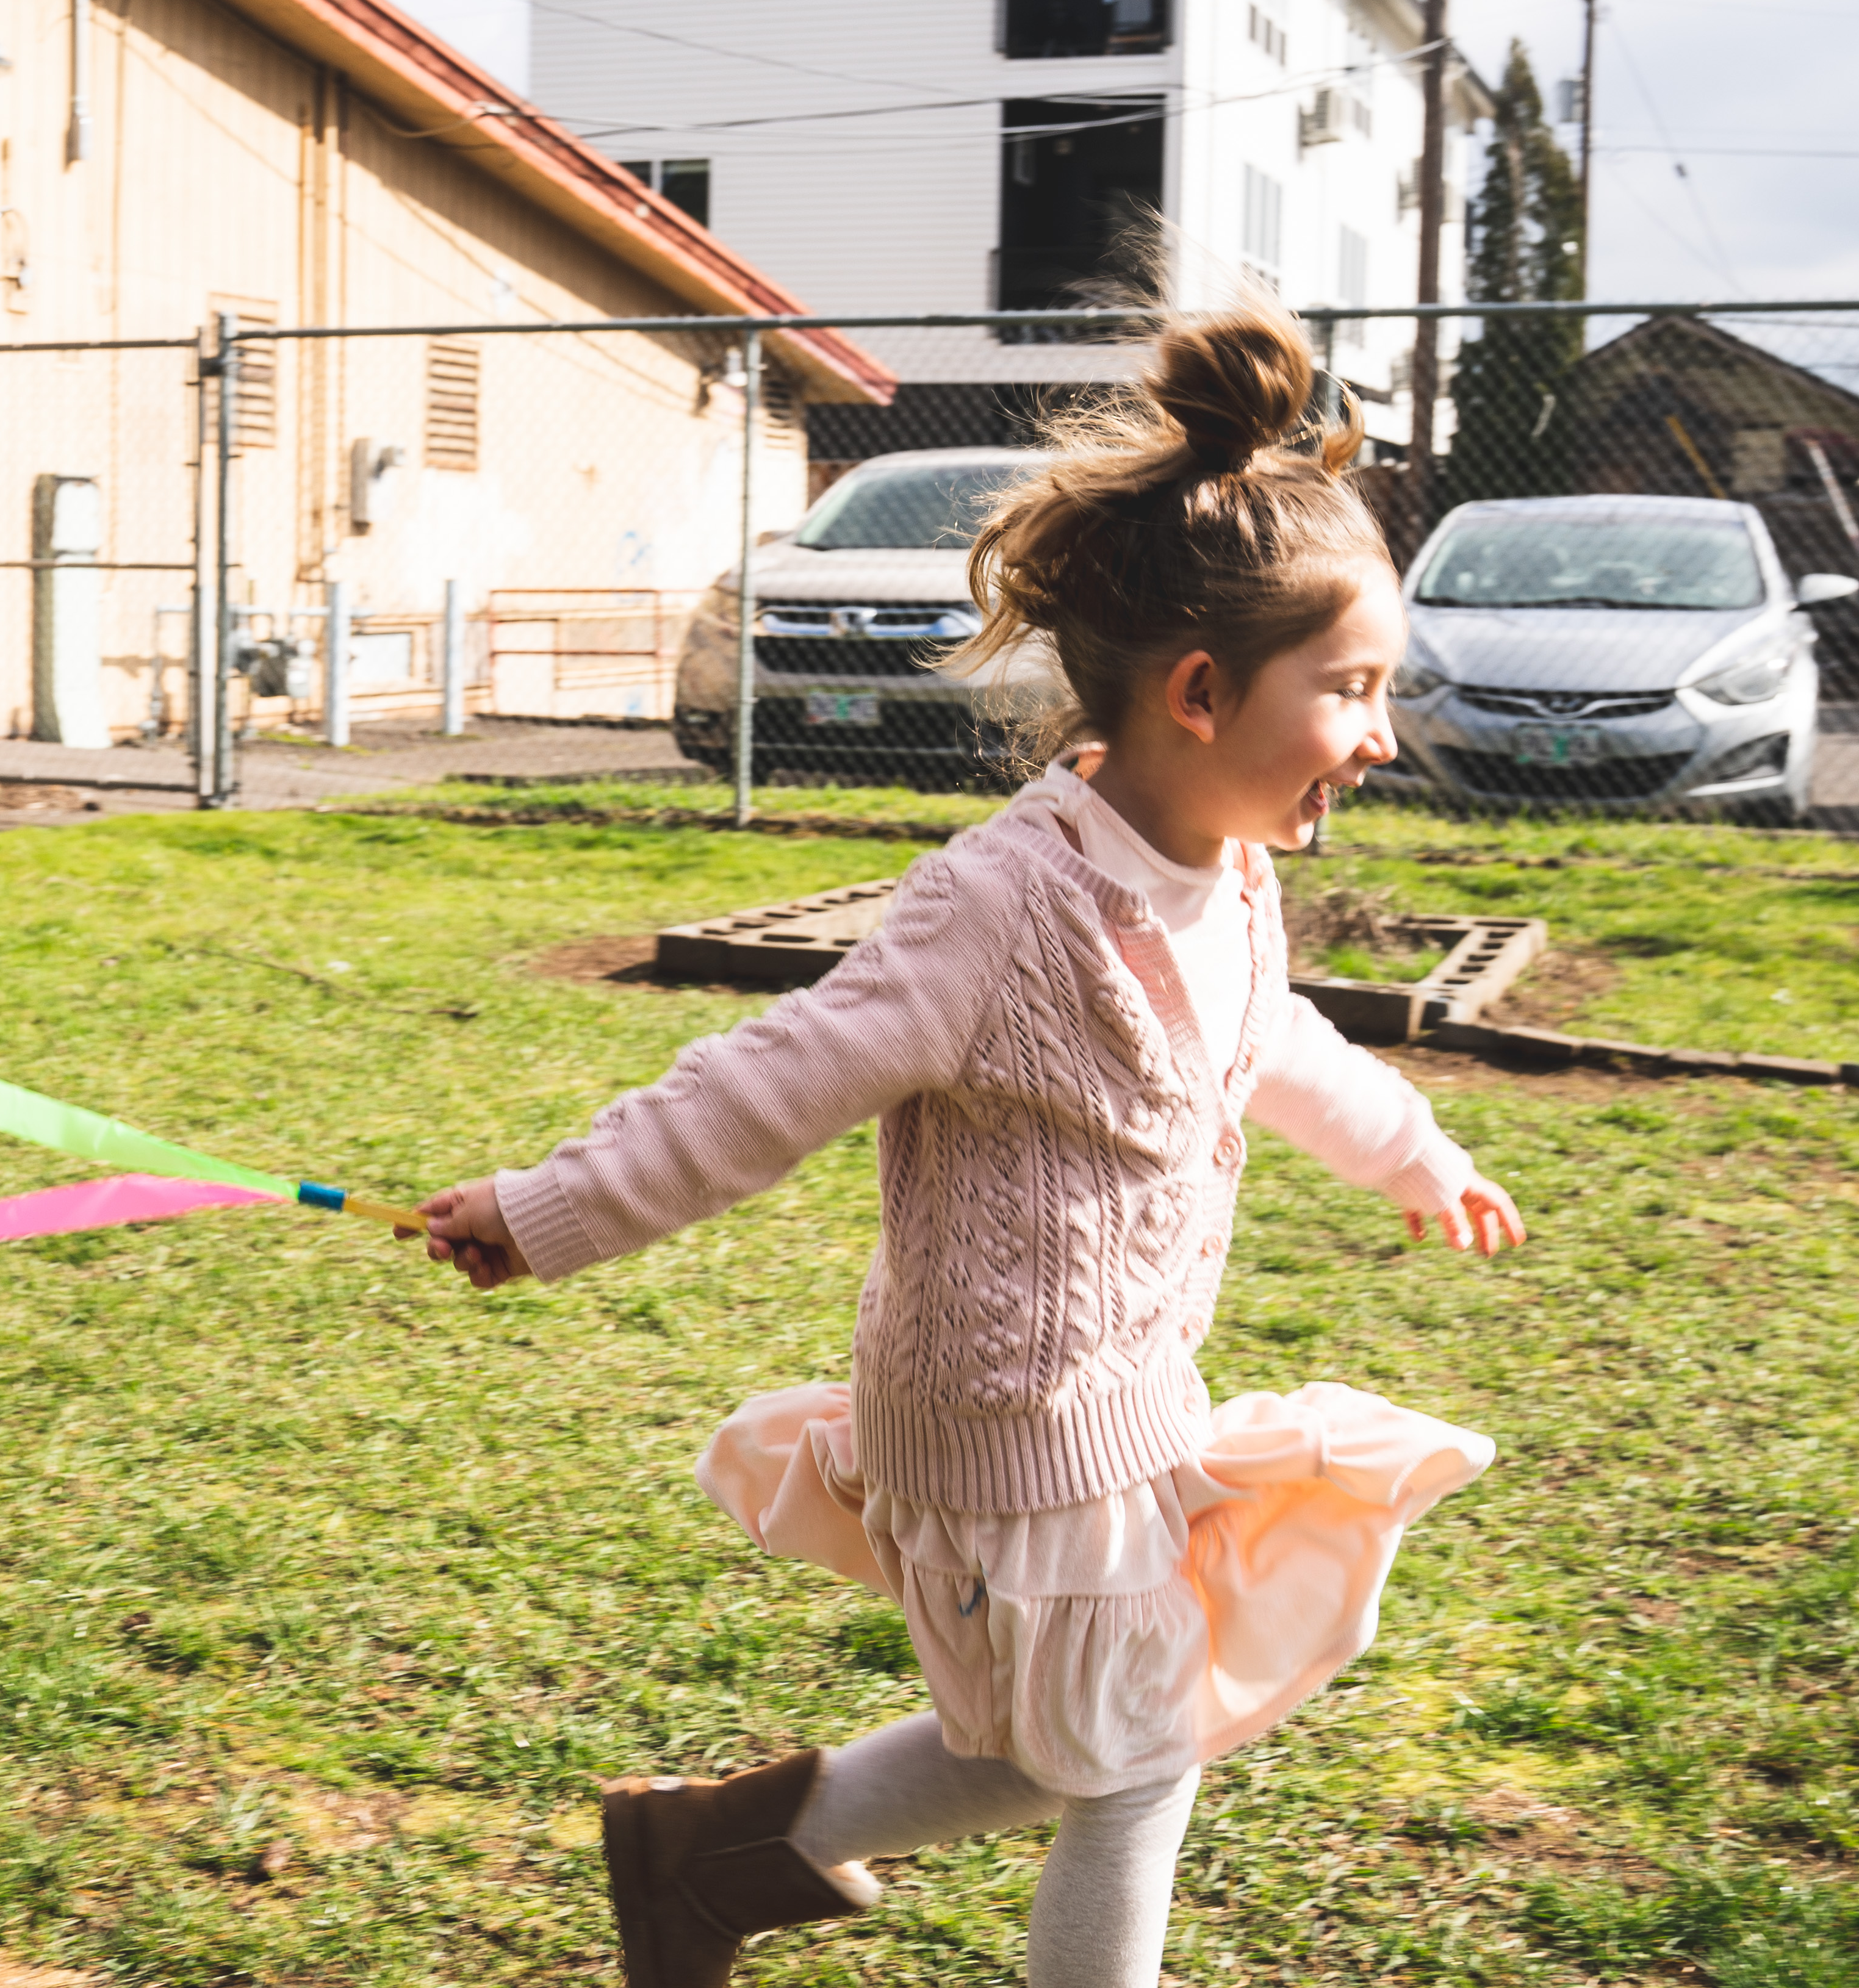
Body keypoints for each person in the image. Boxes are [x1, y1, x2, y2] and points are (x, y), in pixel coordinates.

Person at [414, 306, 1530, 1988]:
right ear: (1205, 692)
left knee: (1053, 1743)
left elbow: (1270, 1036)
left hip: (1116, 1405)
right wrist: (555, 1207)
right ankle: (722, 1857)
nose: (1381, 731)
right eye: (1354, 688)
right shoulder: (1002, 907)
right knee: (1136, 1761)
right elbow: (768, 1079)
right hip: (1011, 1429)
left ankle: (709, 1857)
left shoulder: (1223, 870)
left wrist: (1412, 1152)